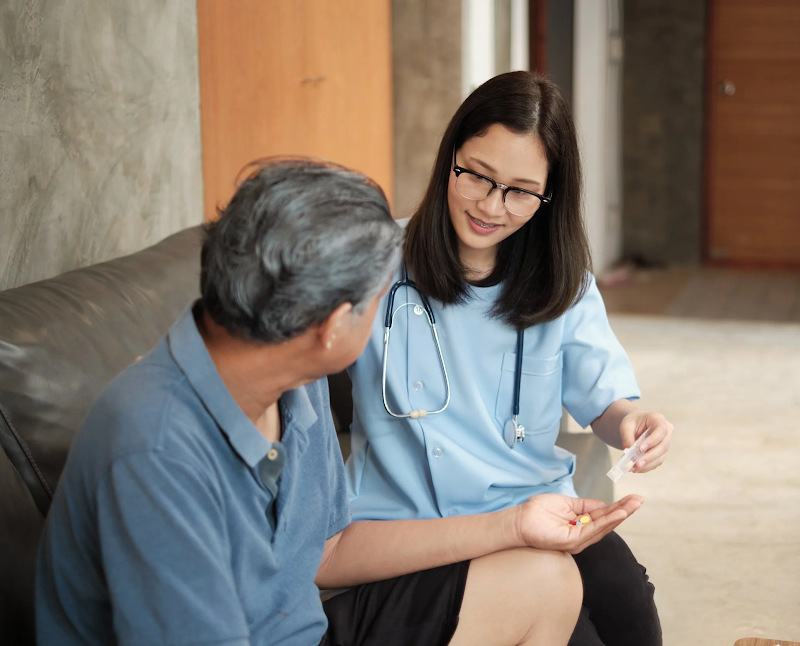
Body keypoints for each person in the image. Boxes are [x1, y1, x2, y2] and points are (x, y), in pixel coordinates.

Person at [36, 158, 642, 646]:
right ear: (333, 326)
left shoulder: (294, 383)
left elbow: (329, 550)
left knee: (545, 579)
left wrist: (513, 524)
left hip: (308, 632)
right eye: (379, 301)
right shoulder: (155, 448)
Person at [340, 72, 673, 646]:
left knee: (627, 598)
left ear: (549, 196)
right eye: (477, 175)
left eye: (521, 191)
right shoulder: (371, 265)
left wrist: (633, 422)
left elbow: (604, 402)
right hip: (413, 526)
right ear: (450, 156)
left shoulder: (564, 285)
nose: (491, 206)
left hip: (536, 508)